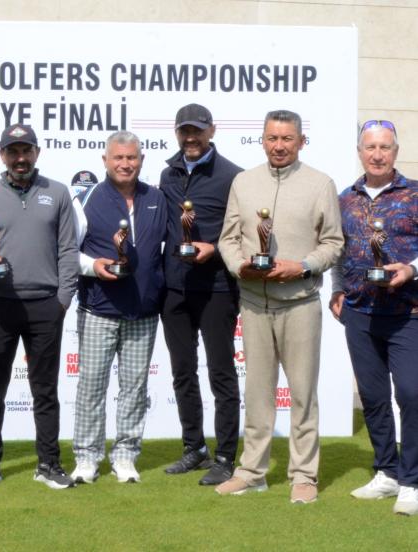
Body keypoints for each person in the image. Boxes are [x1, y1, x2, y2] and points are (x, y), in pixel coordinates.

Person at [216, 109, 343, 504]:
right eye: (272, 138)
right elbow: (228, 238)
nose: (279, 145)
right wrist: (239, 266)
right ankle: (251, 471)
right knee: (257, 393)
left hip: (300, 304)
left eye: (287, 138)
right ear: (263, 140)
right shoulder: (243, 182)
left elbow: (334, 243)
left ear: (301, 141)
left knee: (302, 394)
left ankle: (303, 475)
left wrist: (302, 266)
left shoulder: (320, 184)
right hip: (254, 304)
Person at [0, 123, 79, 490]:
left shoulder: (57, 193)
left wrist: (63, 300)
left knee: (44, 391)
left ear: (36, 153)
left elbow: (68, 249)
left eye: (26, 150)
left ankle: (49, 463)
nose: (20, 158)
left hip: (46, 305)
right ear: (2, 155)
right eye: (13, 151)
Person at [330, 120, 418, 516]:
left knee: (412, 394)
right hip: (360, 314)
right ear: (360, 152)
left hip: (407, 314)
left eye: (385, 147)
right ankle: (387, 471)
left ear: (395, 152)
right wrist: (336, 289)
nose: (377, 154)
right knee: (374, 397)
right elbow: (338, 250)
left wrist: (412, 269)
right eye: (370, 147)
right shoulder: (344, 199)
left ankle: (412, 480)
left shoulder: (414, 194)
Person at [70, 131, 166, 484]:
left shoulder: (156, 197)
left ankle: (125, 456)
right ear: (105, 161)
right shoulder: (86, 199)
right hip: (99, 309)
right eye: (118, 158)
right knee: (92, 387)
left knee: (135, 389)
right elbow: (67, 252)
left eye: (132, 157)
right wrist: (92, 266)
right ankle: (87, 458)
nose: (125, 164)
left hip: (144, 311)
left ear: (141, 160)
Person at [159, 104, 243, 485]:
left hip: (217, 287)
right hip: (174, 288)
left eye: (197, 130)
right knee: (182, 372)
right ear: (177, 133)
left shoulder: (233, 176)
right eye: (185, 131)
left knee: (221, 373)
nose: (191, 138)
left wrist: (217, 249)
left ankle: (225, 456)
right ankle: (194, 448)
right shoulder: (168, 173)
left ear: (212, 130)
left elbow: (244, 234)